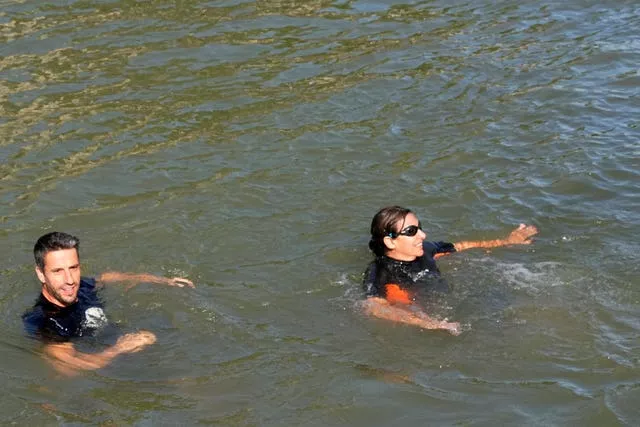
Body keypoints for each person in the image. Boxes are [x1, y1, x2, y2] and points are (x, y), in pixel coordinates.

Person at [22, 231, 195, 376]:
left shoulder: (81, 286)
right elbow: (71, 367)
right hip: (115, 370)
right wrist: (120, 348)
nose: (70, 280)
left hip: (129, 349)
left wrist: (161, 280)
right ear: (41, 274)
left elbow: (105, 278)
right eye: (58, 271)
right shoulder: (45, 322)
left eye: (73, 268)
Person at [363, 206, 538, 335]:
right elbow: (373, 307)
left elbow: (462, 246)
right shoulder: (379, 271)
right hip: (417, 315)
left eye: (420, 228)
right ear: (390, 242)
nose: (422, 235)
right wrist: (429, 324)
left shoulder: (426, 249)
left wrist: (506, 241)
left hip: (441, 302)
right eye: (412, 231)